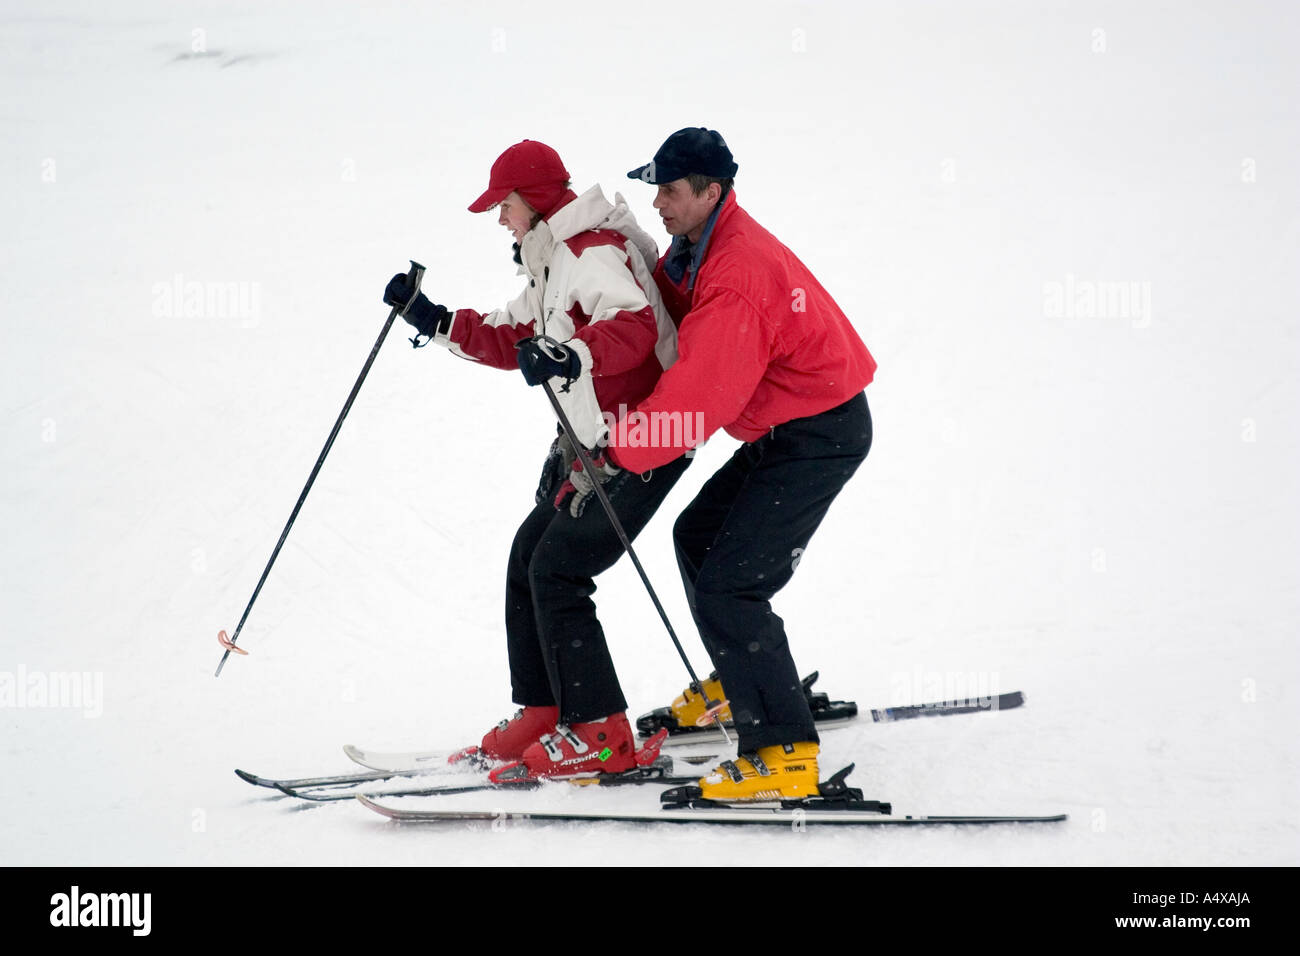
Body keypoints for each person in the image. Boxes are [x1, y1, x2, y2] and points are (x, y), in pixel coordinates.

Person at [382, 140, 689, 780]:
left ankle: (602, 734)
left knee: (559, 570)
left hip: (649, 437)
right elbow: (513, 333)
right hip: (602, 443)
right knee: (530, 554)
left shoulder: (591, 253)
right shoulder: (552, 261)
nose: (501, 219)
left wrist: (570, 353)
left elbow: (632, 327)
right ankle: (547, 710)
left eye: (504, 205)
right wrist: (434, 319)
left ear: (535, 200)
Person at [606, 128, 877, 801]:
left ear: (711, 191)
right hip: (788, 427)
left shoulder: (736, 275)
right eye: (655, 189)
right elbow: (672, 308)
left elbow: (699, 400)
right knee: (697, 537)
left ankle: (783, 751)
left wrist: (621, 446)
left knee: (733, 587)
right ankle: (739, 682)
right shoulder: (699, 245)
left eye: (669, 190)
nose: (658, 203)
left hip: (820, 432)